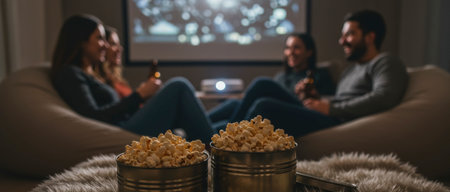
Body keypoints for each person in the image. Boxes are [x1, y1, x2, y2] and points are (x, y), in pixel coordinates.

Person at [222, 9, 409, 137]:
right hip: (329, 114)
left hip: (338, 121)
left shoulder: (385, 62)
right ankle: (208, 135)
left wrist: (330, 108)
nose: (341, 41)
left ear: (370, 37)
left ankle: (221, 142)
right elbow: (342, 99)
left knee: (264, 104)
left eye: (349, 34)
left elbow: (384, 97)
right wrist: (317, 98)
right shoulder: (352, 69)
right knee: (241, 100)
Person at [50, 14, 215, 144]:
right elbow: (94, 116)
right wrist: (139, 95)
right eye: (99, 39)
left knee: (231, 106)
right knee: (179, 85)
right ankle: (218, 150)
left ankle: (222, 139)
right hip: (123, 131)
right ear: (81, 42)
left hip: (127, 123)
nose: (106, 46)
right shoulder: (70, 74)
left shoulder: (89, 74)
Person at [207, 33, 335, 131]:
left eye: (296, 48)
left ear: (309, 52)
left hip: (301, 112)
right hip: (278, 110)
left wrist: (311, 94)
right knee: (234, 103)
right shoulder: (281, 77)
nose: (291, 52)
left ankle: (229, 130)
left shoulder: (319, 75)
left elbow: (329, 104)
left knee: (262, 84)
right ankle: (200, 124)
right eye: (288, 48)